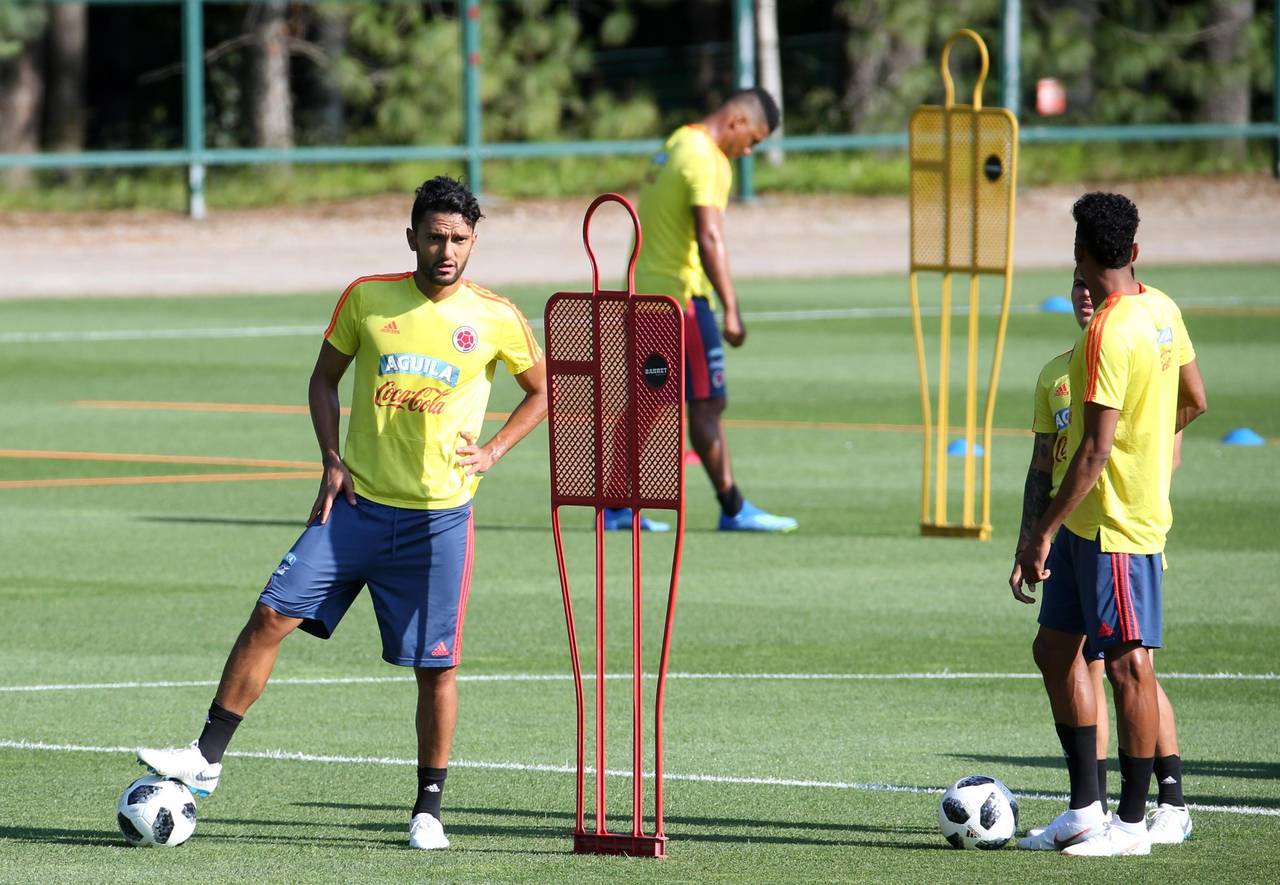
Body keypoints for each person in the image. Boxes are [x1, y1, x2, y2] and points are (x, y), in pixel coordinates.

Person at [136, 176, 548, 851]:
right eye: (435, 236)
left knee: (437, 667)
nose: (447, 250)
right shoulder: (367, 297)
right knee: (272, 613)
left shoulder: (496, 314)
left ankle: (428, 809)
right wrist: (331, 457)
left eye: (460, 239)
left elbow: (541, 390)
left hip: (438, 520)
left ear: (474, 241)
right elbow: (323, 378)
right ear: (411, 235)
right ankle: (205, 757)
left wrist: (496, 450)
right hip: (354, 505)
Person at [1012, 192, 1207, 857]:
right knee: (1054, 650)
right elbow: (1196, 399)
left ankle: (1131, 824)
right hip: (1088, 526)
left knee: (1127, 668)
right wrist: (1156, 444)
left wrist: (1040, 529)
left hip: (1117, 525)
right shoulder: (1162, 308)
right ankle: (1084, 809)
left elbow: (1092, 453)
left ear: (1081, 256)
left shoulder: (1106, 333)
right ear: (1134, 251)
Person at [606, 87, 796, 534]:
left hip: (643, 294)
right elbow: (709, 236)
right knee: (708, 402)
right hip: (680, 301)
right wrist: (731, 307)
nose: (748, 151)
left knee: (648, 404)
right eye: (753, 140)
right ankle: (732, 508)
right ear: (736, 121)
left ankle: (616, 507)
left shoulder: (676, 142)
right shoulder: (706, 157)